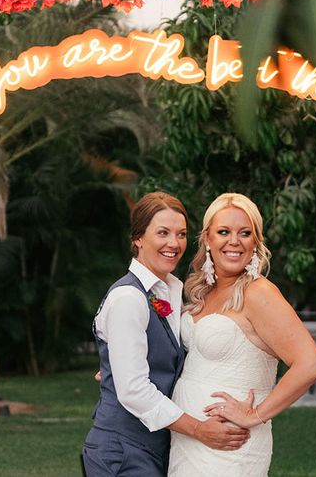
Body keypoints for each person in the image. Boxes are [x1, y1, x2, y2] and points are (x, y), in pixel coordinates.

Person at [82, 192, 250, 477]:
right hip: (121, 452)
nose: (174, 243)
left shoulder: (171, 289)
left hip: (155, 448)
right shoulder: (128, 298)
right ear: (138, 238)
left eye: (181, 234)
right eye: (163, 233)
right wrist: (199, 429)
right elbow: (133, 390)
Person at [168, 193, 316, 477]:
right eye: (223, 232)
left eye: (245, 233)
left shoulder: (258, 292)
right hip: (189, 443)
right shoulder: (205, 293)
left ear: (256, 242)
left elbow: (309, 364)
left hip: (229, 448)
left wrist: (255, 414)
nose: (234, 241)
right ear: (207, 239)